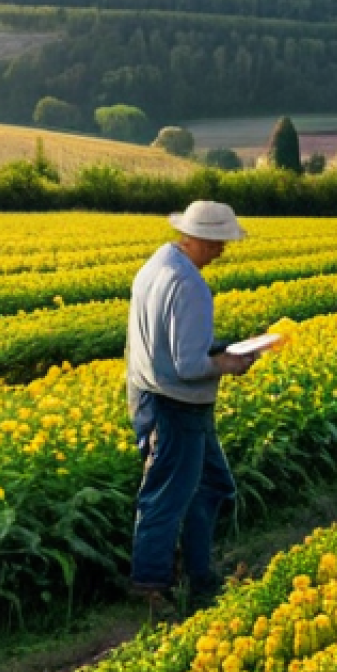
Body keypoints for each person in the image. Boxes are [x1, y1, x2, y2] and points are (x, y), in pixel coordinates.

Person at [126, 200, 257, 606]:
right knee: (166, 495)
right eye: (218, 242)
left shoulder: (156, 266)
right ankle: (152, 586)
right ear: (198, 237)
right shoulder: (190, 286)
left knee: (212, 484)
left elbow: (166, 343)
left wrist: (216, 349)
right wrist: (229, 364)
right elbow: (187, 365)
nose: (223, 250)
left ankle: (200, 574)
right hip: (177, 403)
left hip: (151, 392)